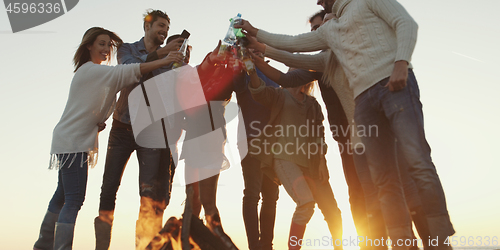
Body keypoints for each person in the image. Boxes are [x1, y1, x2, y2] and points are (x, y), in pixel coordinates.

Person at [236, 0, 454, 248]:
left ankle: (438, 242)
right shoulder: (326, 58)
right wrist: (258, 43)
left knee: (411, 179)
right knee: (373, 192)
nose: (319, 32)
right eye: (316, 31)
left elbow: (405, 23)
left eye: (322, 25)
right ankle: (397, 244)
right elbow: (293, 49)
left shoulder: (358, 15)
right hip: (354, 135)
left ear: (334, 20)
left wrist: (401, 63)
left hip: (381, 112)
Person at [32, 27, 184, 250]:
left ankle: (42, 245)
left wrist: (98, 119)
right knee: (74, 200)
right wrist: (164, 59)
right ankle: (59, 247)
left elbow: (88, 104)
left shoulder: (90, 71)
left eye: (108, 45)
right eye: (101, 44)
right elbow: (131, 71)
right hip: (73, 142)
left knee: (61, 196)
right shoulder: (93, 71)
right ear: (89, 46)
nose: (106, 49)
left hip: (68, 140)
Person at [93, 10, 185, 250]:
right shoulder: (127, 49)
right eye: (160, 26)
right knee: (109, 187)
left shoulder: (172, 60)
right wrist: (162, 56)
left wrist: (180, 71)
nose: (164, 31)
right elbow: (130, 70)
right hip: (122, 128)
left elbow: (171, 94)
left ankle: (146, 246)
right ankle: (101, 246)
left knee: (149, 193)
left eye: (167, 28)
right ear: (147, 26)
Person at [247, 65, 343, 250]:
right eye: (292, 66)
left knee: (333, 212)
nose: (295, 69)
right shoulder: (278, 95)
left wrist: (322, 160)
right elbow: (258, 92)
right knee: (306, 203)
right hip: (284, 158)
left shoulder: (312, 104)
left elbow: (319, 135)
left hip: (313, 163)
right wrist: (251, 71)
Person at [232, 51, 280, 250]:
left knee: (271, 195)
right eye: (251, 48)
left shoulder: (272, 73)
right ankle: (254, 246)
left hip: (274, 142)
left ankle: (266, 245)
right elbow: (235, 88)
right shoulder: (241, 73)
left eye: (258, 47)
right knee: (252, 193)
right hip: (250, 139)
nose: (255, 51)